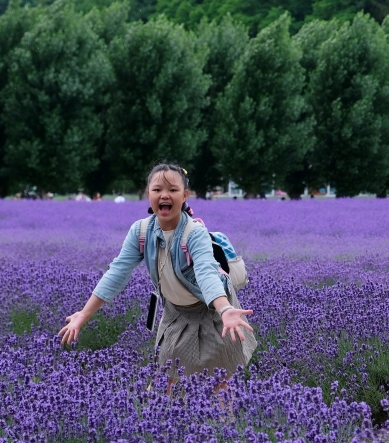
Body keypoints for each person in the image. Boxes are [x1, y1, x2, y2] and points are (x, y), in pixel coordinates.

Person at [59, 163, 256, 387]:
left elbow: (206, 273)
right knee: (167, 376)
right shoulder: (141, 231)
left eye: (172, 190)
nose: (165, 195)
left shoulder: (194, 233)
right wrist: (83, 314)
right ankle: (167, 419)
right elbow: (116, 273)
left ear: (184, 196)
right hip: (176, 311)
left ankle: (222, 422)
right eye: (157, 190)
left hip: (213, 308)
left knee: (219, 379)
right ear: (148, 195)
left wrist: (226, 309)